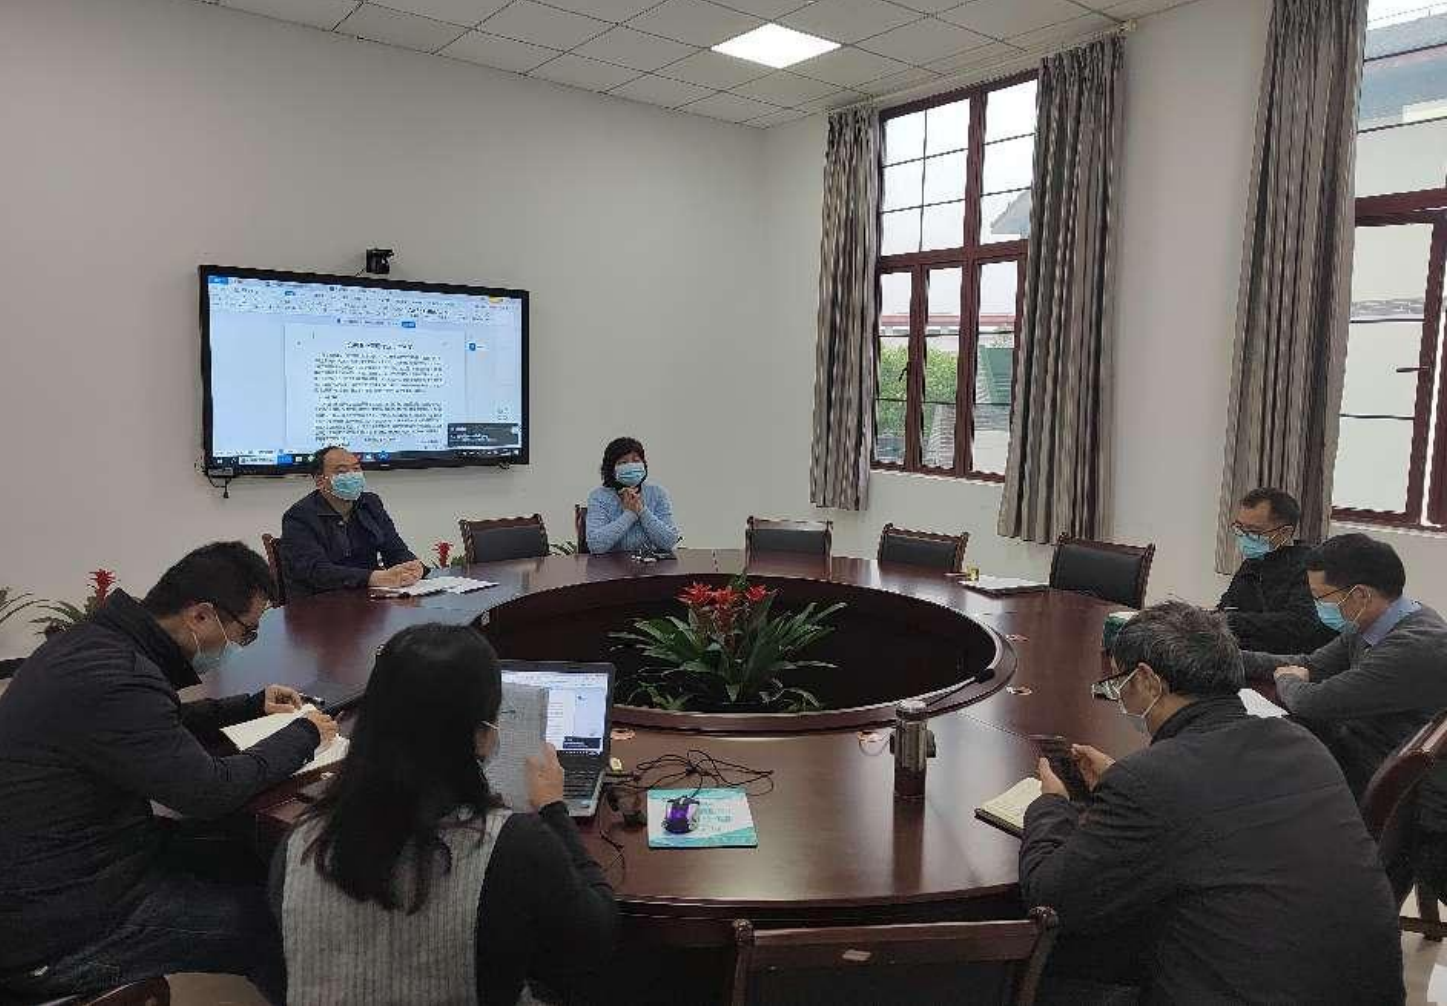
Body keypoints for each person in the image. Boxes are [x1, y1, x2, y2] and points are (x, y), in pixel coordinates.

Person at [0, 542, 338, 1001]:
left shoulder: (96, 642)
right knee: (269, 927)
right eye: (247, 632)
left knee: (253, 854)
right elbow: (209, 792)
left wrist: (248, 705)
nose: (243, 644)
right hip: (60, 920)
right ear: (200, 615)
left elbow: (151, 721)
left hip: (86, 855)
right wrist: (304, 736)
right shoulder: (117, 676)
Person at [1021, 602, 1403, 1005]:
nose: (1121, 698)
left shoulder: (1152, 782)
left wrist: (1053, 805)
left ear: (1148, 680)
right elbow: (1217, 814)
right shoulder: (1300, 743)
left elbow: (1052, 898)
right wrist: (1126, 785)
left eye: (1121, 683)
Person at [270, 623, 617, 1004]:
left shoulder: (299, 843)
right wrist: (554, 808)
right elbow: (595, 936)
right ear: (482, 735)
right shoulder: (512, 845)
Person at [1241, 533, 1447, 798]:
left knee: (1255, 768)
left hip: (1381, 777)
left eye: (1320, 597)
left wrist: (1286, 679)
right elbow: (1310, 664)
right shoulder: (1377, 619)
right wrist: (1231, 656)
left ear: (1360, 595)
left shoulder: (1413, 647)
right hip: (1359, 745)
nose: (1316, 606)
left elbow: (1312, 702)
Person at [281, 445, 425, 598]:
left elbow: (395, 549)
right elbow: (316, 571)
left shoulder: (370, 503)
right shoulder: (299, 516)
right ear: (320, 480)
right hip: (318, 602)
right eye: (342, 471)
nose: (352, 476)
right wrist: (374, 578)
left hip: (369, 599)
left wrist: (412, 567)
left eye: (356, 469)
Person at [1217, 487, 1335, 653]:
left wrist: (1231, 620)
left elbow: (1299, 623)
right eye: (1239, 527)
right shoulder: (1253, 562)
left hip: (1291, 657)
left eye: (1254, 531)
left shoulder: (1311, 566)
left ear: (1285, 532)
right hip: (1246, 650)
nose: (1244, 536)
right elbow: (1227, 606)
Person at [584, 437, 680, 554]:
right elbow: (595, 545)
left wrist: (642, 511)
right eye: (623, 462)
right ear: (611, 469)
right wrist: (630, 514)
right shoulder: (599, 497)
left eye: (636, 460)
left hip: (651, 564)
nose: (631, 466)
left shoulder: (657, 493)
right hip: (611, 565)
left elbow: (669, 541)